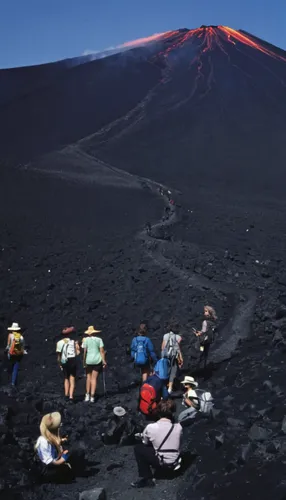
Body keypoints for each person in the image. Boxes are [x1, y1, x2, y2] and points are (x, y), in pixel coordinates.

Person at [131, 400, 182, 488]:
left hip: (162, 462)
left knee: (138, 448)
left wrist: (142, 437)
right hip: (175, 462)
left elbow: (145, 442)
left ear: (158, 412)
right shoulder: (179, 427)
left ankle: (147, 478)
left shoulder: (151, 427)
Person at [35, 412, 73, 481]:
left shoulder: (50, 435)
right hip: (48, 469)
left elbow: (56, 442)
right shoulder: (43, 441)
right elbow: (49, 462)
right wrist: (63, 459)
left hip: (55, 459)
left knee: (76, 452)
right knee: (67, 470)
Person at [82, 325, 107, 403]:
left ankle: (87, 395)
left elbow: (85, 352)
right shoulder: (99, 339)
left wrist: (84, 361)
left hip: (88, 360)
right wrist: (104, 361)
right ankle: (92, 397)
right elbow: (102, 351)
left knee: (88, 378)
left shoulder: (85, 340)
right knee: (94, 379)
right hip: (97, 360)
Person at [56, 327, 80, 403]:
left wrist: (59, 363)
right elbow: (78, 353)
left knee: (66, 378)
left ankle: (66, 395)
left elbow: (59, 355)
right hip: (72, 360)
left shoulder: (59, 342)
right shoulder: (73, 342)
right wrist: (77, 346)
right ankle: (71, 396)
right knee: (72, 378)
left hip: (64, 361)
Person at [161, 322, 183, 395]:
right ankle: (170, 388)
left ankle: (164, 387)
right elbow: (178, 349)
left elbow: (162, 347)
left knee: (166, 370)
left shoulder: (165, 336)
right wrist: (180, 358)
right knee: (173, 371)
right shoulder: (178, 337)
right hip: (173, 356)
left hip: (166, 356)